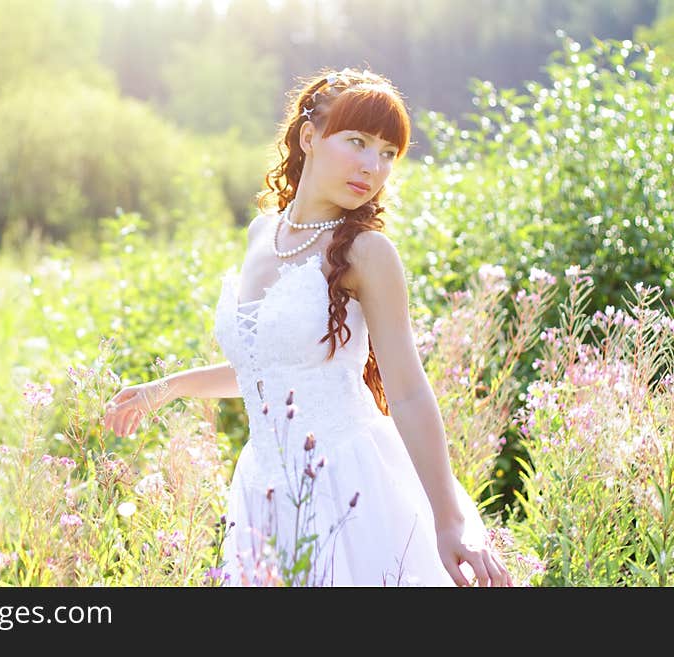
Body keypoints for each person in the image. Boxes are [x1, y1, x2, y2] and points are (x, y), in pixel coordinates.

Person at [103, 67, 513, 587]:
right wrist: (165, 389)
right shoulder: (262, 234)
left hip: (351, 486)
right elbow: (265, 370)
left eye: (388, 153)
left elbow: (408, 392)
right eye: (358, 142)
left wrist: (449, 519)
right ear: (308, 137)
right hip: (262, 490)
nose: (373, 166)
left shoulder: (368, 252)